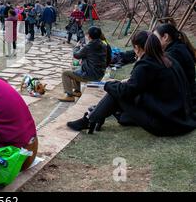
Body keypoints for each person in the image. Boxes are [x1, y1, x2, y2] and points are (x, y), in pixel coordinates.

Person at [67, 31, 196, 136]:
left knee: (117, 92)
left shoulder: (146, 64)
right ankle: (94, 117)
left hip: (165, 123)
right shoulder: (168, 58)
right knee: (119, 91)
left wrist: (107, 85)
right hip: (180, 118)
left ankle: (89, 120)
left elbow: (126, 92)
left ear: (137, 48)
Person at [59, 26, 107, 102]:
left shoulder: (89, 46)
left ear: (89, 36)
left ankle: (69, 95)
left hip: (91, 76)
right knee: (75, 69)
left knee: (65, 73)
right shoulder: (103, 45)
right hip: (100, 73)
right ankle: (77, 91)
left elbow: (76, 55)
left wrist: (77, 47)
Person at [154, 23, 196, 109]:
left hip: (186, 98)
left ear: (165, 37)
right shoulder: (179, 46)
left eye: (155, 38)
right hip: (189, 92)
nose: (153, 42)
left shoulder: (173, 53)